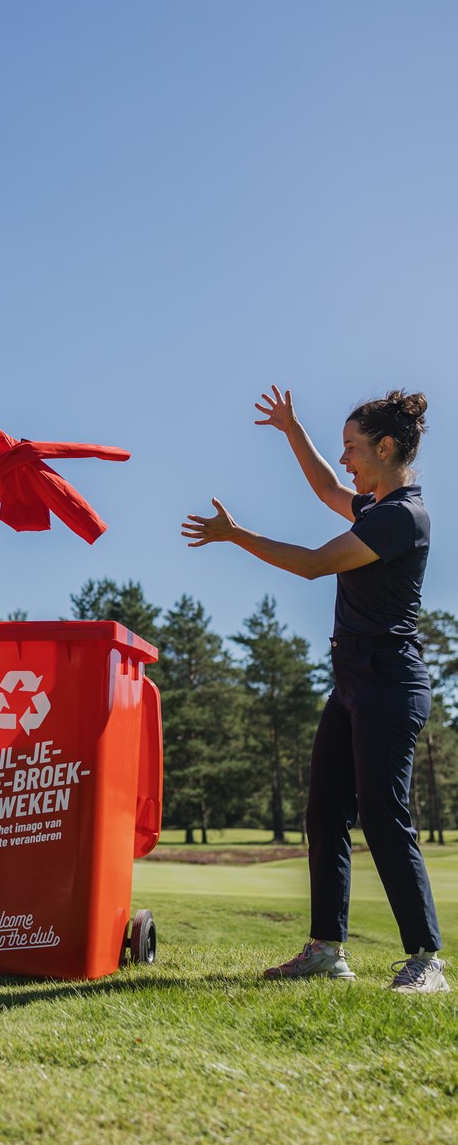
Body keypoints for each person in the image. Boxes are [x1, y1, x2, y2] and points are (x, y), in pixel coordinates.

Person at [182, 386, 448, 994]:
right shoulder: (375, 506)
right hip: (353, 682)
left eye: (354, 447)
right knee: (325, 811)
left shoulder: (403, 517)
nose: (347, 457)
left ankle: (427, 961)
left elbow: (310, 563)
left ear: (386, 447)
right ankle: (326, 949)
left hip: (388, 682)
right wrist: (291, 429)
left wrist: (234, 534)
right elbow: (328, 489)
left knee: (384, 816)